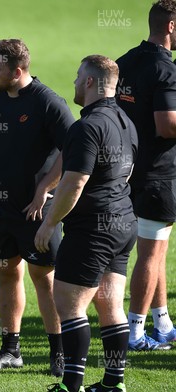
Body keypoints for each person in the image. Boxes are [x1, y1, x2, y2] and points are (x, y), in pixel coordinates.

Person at [0, 39, 74, 375]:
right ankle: (10, 350)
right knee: (6, 273)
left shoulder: (48, 103)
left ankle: (59, 354)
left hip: (36, 211)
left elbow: (72, 150)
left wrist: (46, 187)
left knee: (44, 276)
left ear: (17, 71)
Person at [40, 55, 138, 392]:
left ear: (91, 82)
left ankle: (71, 386)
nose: (74, 82)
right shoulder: (126, 121)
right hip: (124, 223)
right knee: (111, 304)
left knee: (69, 304)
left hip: (93, 229)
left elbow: (74, 182)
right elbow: (127, 172)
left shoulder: (86, 127)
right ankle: (114, 383)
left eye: (78, 76)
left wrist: (49, 223)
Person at [116, 0, 176, 351]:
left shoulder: (126, 61)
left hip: (128, 172)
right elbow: (167, 126)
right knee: (151, 254)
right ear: (170, 26)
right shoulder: (165, 68)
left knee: (157, 249)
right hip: (159, 176)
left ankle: (162, 322)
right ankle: (135, 332)